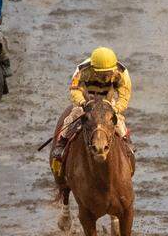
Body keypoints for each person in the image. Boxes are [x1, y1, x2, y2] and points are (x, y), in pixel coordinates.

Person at [51, 47, 133, 178]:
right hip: (88, 99)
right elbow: (74, 90)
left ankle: (126, 144)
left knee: (120, 122)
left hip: (108, 101)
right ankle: (62, 142)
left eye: (107, 73)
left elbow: (124, 96)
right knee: (73, 116)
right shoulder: (82, 70)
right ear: (93, 69)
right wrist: (83, 103)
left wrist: (115, 109)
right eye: (100, 73)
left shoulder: (122, 73)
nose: (104, 76)